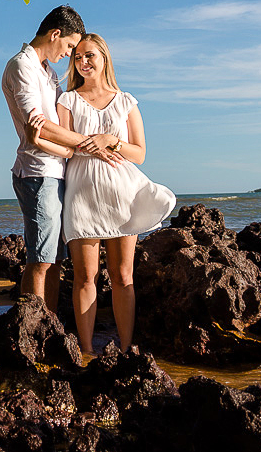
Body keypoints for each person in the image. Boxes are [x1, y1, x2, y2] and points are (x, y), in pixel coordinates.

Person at [38, 33, 176, 356]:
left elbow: (139, 153)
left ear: (104, 58)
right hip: (82, 197)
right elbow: (66, 146)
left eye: (90, 56)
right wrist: (87, 143)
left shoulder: (126, 101)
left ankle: (127, 351)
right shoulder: (67, 101)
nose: (83, 62)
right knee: (86, 277)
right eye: (78, 57)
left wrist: (109, 141)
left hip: (121, 196)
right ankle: (85, 352)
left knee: (122, 275)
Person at [0, 5, 86, 312]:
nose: (70, 54)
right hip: (37, 172)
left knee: (55, 259)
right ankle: (32, 330)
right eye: (70, 46)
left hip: (56, 170)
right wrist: (86, 144)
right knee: (41, 259)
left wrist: (69, 149)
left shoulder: (47, 72)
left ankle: (46, 324)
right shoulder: (21, 66)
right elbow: (37, 123)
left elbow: (56, 128)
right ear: (55, 34)